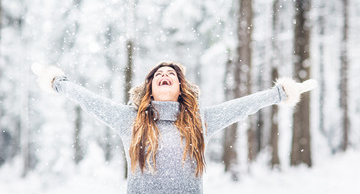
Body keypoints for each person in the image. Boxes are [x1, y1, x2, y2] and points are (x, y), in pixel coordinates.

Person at [32, 61, 317, 194]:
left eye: (171, 74)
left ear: (181, 88)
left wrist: (279, 93)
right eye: (159, 74)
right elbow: (89, 100)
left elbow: (242, 106)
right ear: (150, 87)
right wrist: (58, 82)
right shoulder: (130, 120)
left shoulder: (198, 122)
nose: (165, 76)